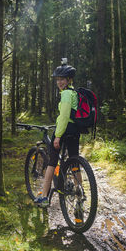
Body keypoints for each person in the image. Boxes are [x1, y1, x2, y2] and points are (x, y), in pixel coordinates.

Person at [34, 58, 80, 207]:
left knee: (52, 162)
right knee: (74, 161)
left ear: (69, 80)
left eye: (63, 79)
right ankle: (80, 195)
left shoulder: (66, 94)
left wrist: (58, 135)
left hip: (65, 131)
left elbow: (65, 116)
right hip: (75, 131)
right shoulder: (74, 93)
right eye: (58, 79)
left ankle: (44, 197)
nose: (59, 82)